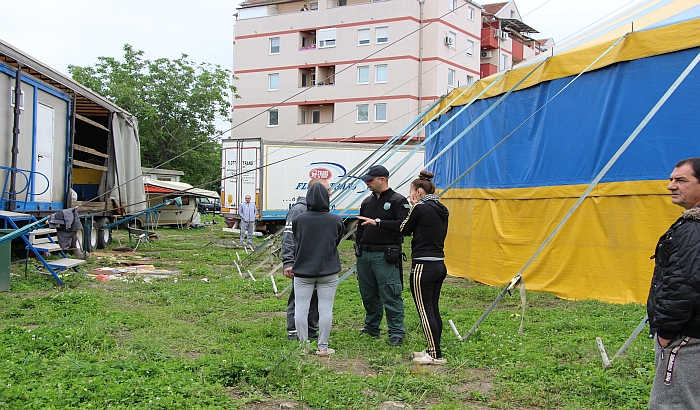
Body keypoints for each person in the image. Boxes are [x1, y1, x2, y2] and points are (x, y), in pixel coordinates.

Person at [358, 170, 449, 365]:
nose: (410, 196)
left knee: (425, 311)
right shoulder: (441, 208)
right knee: (433, 310)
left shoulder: (419, 207)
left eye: (411, 192)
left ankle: (434, 353)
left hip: (423, 265)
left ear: (418, 191)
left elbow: (403, 228)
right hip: (439, 263)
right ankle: (433, 348)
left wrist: (378, 222)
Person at [647, 157, 700, 409]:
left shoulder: (693, 229)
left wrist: (667, 332)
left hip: (688, 336)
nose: (670, 186)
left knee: (673, 404)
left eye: (681, 180)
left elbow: (685, 284)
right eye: (671, 179)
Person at [355, 164, 410, 346]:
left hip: (385, 255)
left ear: (382, 179)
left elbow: (405, 226)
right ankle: (371, 328)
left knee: (390, 294)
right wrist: (359, 247)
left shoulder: (398, 201)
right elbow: (360, 227)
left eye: (370, 180)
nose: (367, 183)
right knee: (368, 294)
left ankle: (396, 332)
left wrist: (378, 223)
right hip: (366, 255)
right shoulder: (367, 202)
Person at [289, 182, 345, 355]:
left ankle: (303, 346)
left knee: (301, 308)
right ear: (327, 198)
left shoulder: (299, 219)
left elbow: (297, 238)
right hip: (328, 270)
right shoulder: (336, 220)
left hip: (303, 270)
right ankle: (323, 347)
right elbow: (337, 240)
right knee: (326, 309)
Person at [282, 179, 328, 341]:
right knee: (298, 297)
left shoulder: (321, 212)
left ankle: (310, 328)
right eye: (327, 190)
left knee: (315, 297)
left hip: (316, 265)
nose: (330, 193)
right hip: (300, 264)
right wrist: (289, 262)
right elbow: (288, 238)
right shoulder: (299, 211)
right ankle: (293, 330)